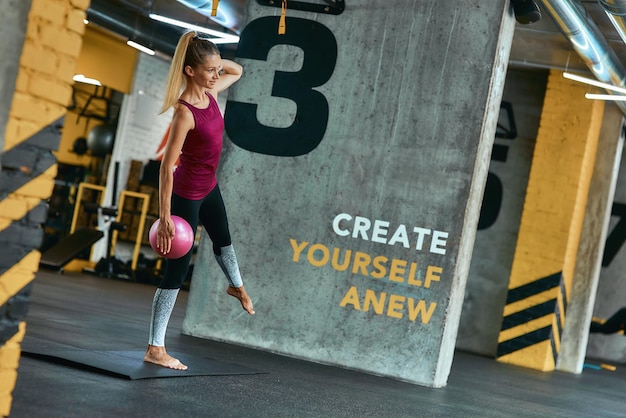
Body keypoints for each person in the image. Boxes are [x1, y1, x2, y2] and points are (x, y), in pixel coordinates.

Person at [144, 30, 255, 371]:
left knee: (224, 240)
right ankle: (155, 348)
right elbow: (166, 167)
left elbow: (238, 71)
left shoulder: (211, 92)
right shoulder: (185, 112)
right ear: (190, 71)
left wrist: (216, 61)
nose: (217, 75)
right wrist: (165, 217)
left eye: (216, 69)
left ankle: (236, 287)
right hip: (185, 196)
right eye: (209, 70)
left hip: (209, 187)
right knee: (177, 271)